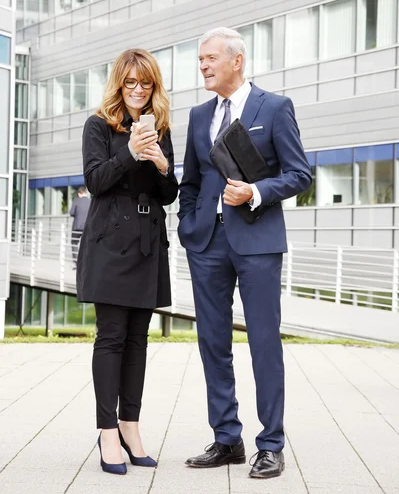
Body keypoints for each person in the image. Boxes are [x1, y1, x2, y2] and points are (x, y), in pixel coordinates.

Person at [178, 27, 312, 479]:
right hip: (207, 244)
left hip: (257, 242)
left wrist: (255, 191)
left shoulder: (274, 108)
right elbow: (191, 182)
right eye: (200, 60)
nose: (203, 66)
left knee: (263, 343)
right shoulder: (198, 115)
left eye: (211, 58)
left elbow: (299, 174)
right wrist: (188, 224)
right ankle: (227, 439)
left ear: (237, 60)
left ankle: (271, 444)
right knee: (212, 343)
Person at [77, 49, 178, 475]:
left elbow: (168, 194)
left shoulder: (162, 128)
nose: (138, 91)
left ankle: (130, 426)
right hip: (109, 242)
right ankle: (106, 433)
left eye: (146, 84)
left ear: (154, 87)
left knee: (139, 338)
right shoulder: (98, 125)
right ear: (119, 84)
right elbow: (95, 180)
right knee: (112, 335)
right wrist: (130, 152)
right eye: (131, 83)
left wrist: (161, 164)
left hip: (147, 242)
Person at [69, 186, 90, 268]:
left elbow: (71, 212)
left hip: (77, 226)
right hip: (87, 227)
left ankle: (77, 263)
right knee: (86, 244)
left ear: (79, 193)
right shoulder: (90, 201)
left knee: (74, 243)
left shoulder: (76, 200)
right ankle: (86, 262)